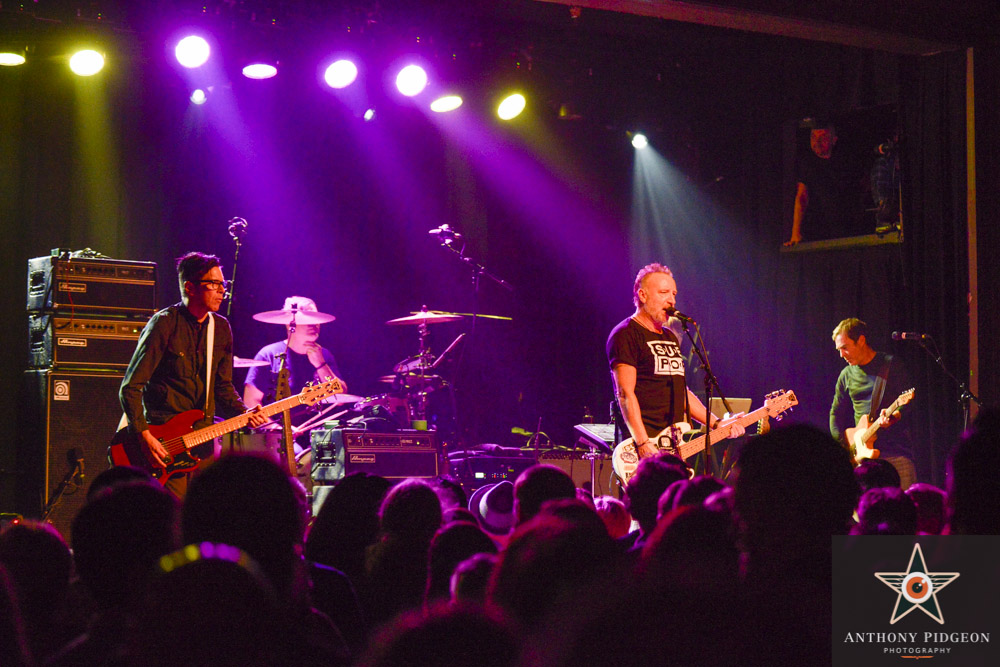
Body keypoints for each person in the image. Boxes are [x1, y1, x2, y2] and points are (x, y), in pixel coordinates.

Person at [119, 252, 268, 496]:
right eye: (214, 284)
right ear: (190, 287)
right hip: (163, 444)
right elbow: (131, 387)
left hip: (203, 443)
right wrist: (144, 435)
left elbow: (222, 386)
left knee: (202, 516)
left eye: (223, 285)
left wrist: (243, 414)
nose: (222, 291)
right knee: (173, 518)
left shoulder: (220, 328)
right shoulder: (164, 324)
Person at [606, 263, 743, 467]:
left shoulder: (670, 336)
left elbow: (682, 391)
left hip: (673, 443)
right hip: (643, 445)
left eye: (674, 293)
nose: (671, 300)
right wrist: (643, 442)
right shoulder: (625, 334)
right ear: (642, 296)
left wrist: (716, 423)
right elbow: (625, 393)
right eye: (663, 293)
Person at [829, 317, 915, 488]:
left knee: (903, 509)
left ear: (861, 340)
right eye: (839, 349)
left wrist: (895, 415)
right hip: (862, 460)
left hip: (895, 454)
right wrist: (843, 449)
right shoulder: (846, 374)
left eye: (845, 348)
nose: (841, 355)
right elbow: (835, 414)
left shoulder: (891, 365)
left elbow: (909, 404)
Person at [244, 296, 347, 426]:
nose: (314, 324)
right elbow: (250, 402)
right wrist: (275, 428)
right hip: (276, 436)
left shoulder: (325, 355)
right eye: (306, 319)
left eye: (316, 319)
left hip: (318, 434)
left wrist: (321, 364)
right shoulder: (268, 355)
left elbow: (341, 397)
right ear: (289, 324)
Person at [784, 122, 857, 246]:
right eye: (813, 137)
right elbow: (802, 196)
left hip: (847, 227)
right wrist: (795, 233)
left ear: (834, 140)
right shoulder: (807, 164)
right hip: (817, 229)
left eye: (822, 138)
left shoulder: (846, 161)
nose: (817, 142)